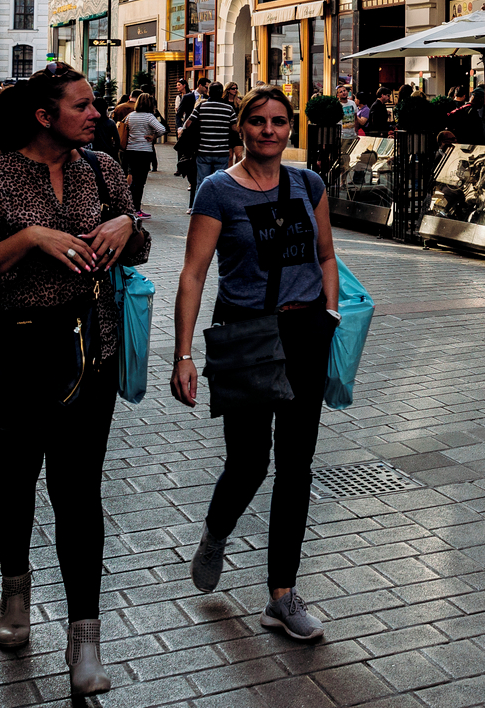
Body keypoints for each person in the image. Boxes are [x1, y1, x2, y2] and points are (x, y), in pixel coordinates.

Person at [0, 66, 144, 697]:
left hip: (88, 351)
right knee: (14, 483)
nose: (96, 114)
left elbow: (137, 245)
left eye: (94, 104)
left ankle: (85, 640)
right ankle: (15, 592)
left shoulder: (103, 169)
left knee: (79, 492)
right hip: (9, 352)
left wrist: (127, 223)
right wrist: (30, 238)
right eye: (82, 106)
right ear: (44, 116)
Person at [171, 85, 339, 643]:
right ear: (241, 127)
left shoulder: (308, 183)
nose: (270, 130)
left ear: (290, 128)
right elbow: (194, 273)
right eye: (259, 121)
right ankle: (216, 532)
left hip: (305, 331)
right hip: (244, 333)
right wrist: (184, 354)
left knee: (296, 465)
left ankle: (282, 595)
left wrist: (330, 313)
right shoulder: (218, 190)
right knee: (248, 462)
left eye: (279, 121)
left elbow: (326, 254)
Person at [188, 83, 238, 201]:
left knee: (202, 182)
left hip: (203, 151)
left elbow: (188, 124)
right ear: (221, 93)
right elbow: (235, 129)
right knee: (220, 183)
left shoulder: (201, 107)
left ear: (209, 92)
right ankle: (217, 206)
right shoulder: (228, 109)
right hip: (222, 152)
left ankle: (201, 206)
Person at [120, 94, 165, 215]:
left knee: (134, 180)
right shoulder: (149, 117)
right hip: (144, 151)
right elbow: (162, 129)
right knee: (140, 182)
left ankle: (129, 206)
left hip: (130, 150)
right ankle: (136, 209)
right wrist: (153, 136)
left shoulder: (130, 116)